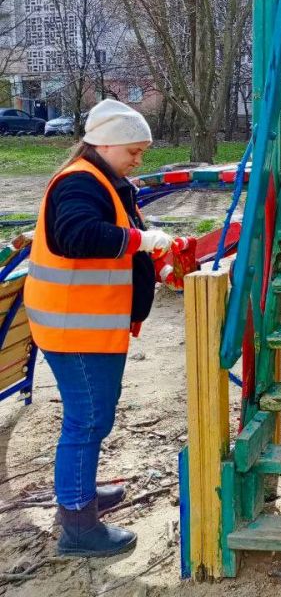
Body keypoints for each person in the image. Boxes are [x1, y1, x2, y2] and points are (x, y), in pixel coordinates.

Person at [24, 99, 174, 558]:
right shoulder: (79, 184)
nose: (138, 160)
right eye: (133, 150)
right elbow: (78, 235)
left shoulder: (105, 182)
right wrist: (140, 240)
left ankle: (79, 493)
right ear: (105, 144)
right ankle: (77, 524)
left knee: (92, 417)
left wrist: (156, 260)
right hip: (76, 327)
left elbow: (117, 235)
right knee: (88, 420)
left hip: (88, 324)